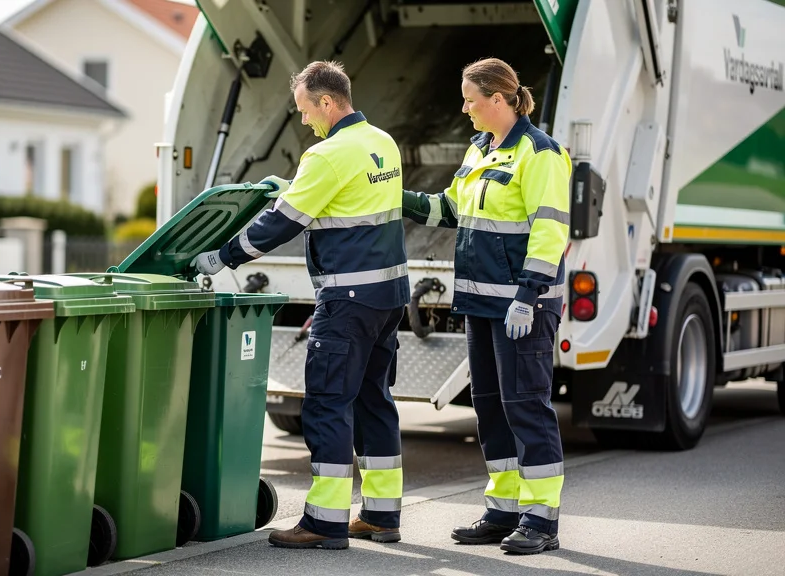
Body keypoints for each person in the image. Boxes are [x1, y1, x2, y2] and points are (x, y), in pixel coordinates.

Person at [191, 60, 409, 550]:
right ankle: (381, 515)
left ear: (327, 102)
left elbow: (282, 223)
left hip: (347, 301)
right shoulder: (382, 142)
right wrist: (295, 188)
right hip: (389, 297)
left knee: (328, 404)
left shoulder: (325, 155)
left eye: (306, 109)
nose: (304, 119)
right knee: (375, 401)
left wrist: (224, 256)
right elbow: (348, 199)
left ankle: (324, 523)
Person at [401, 57, 571, 555]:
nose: (464, 108)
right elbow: (450, 209)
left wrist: (528, 296)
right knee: (491, 409)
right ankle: (503, 510)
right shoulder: (480, 148)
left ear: (498, 99)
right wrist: (396, 196)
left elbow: (550, 231)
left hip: (522, 307)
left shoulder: (540, 153)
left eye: (470, 99)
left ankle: (541, 520)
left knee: (527, 408)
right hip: (480, 304)